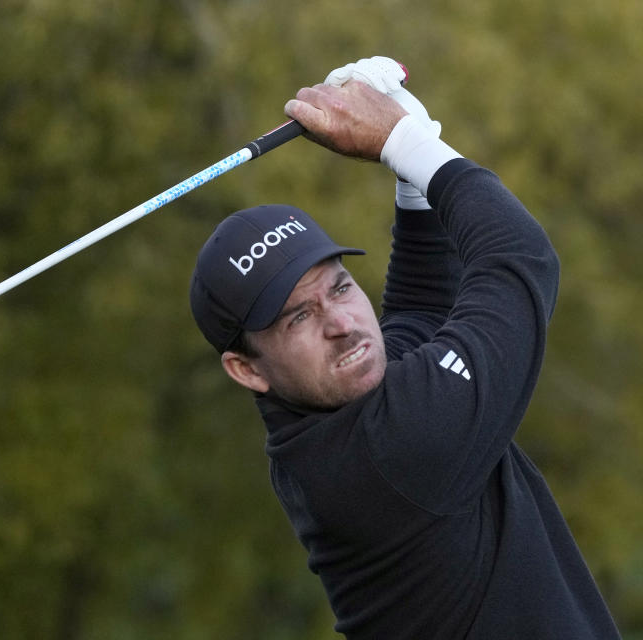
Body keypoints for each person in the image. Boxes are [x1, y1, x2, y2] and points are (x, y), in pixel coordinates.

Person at [189, 57, 621, 639]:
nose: (340, 323)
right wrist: (406, 142)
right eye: (298, 318)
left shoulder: (326, 421)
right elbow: (521, 262)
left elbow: (419, 313)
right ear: (246, 369)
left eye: (340, 287)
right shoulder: (394, 449)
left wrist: (412, 181)